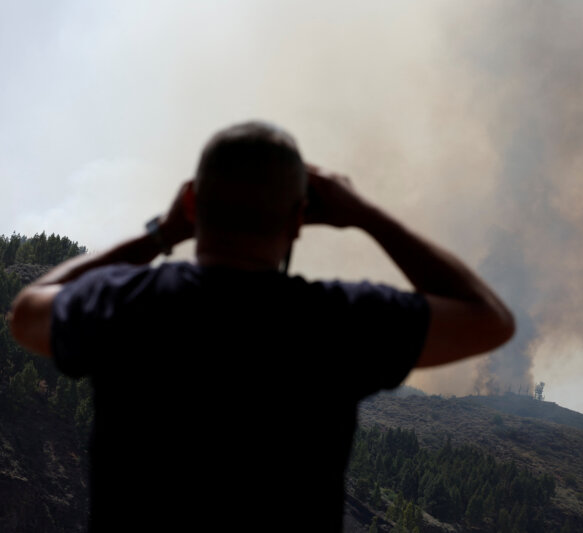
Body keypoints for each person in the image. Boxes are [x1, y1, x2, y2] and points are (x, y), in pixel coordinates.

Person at [9, 121, 515, 531]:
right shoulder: (337, 321)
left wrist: (160, 235)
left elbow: (28, 311)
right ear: (300, 219)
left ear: (191, 204)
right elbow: (488, 320)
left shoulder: (126, 303)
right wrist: (366, 215)